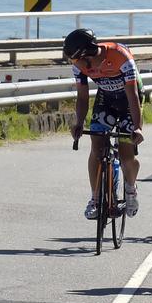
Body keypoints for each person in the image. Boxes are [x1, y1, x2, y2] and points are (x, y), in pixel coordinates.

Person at [63, 27, 144, 220]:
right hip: (105, 100)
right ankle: (95, 199)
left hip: (128, 101)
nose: (75, 64)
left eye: (76, 59)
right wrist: (79, 122)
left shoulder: (120, 55)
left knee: (126, 156)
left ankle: (131, 189)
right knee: (96, 149)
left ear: (86, 55)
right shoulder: (79, 65)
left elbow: (133, 96)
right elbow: (82, 97)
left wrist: (138, 127)